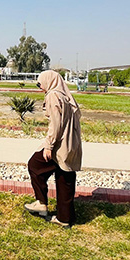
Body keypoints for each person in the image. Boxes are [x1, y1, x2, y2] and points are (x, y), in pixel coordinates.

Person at [25, 70, 82, 227]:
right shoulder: (66, 95)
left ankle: (41, 202)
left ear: (49, 81)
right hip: (71, 144)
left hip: (58, 144)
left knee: (35, 166)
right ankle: (65, 218)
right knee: (65, 178)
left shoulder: (53, 95)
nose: (40, 87)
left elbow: (55, 124)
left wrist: (49, 146)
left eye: (40, 83)